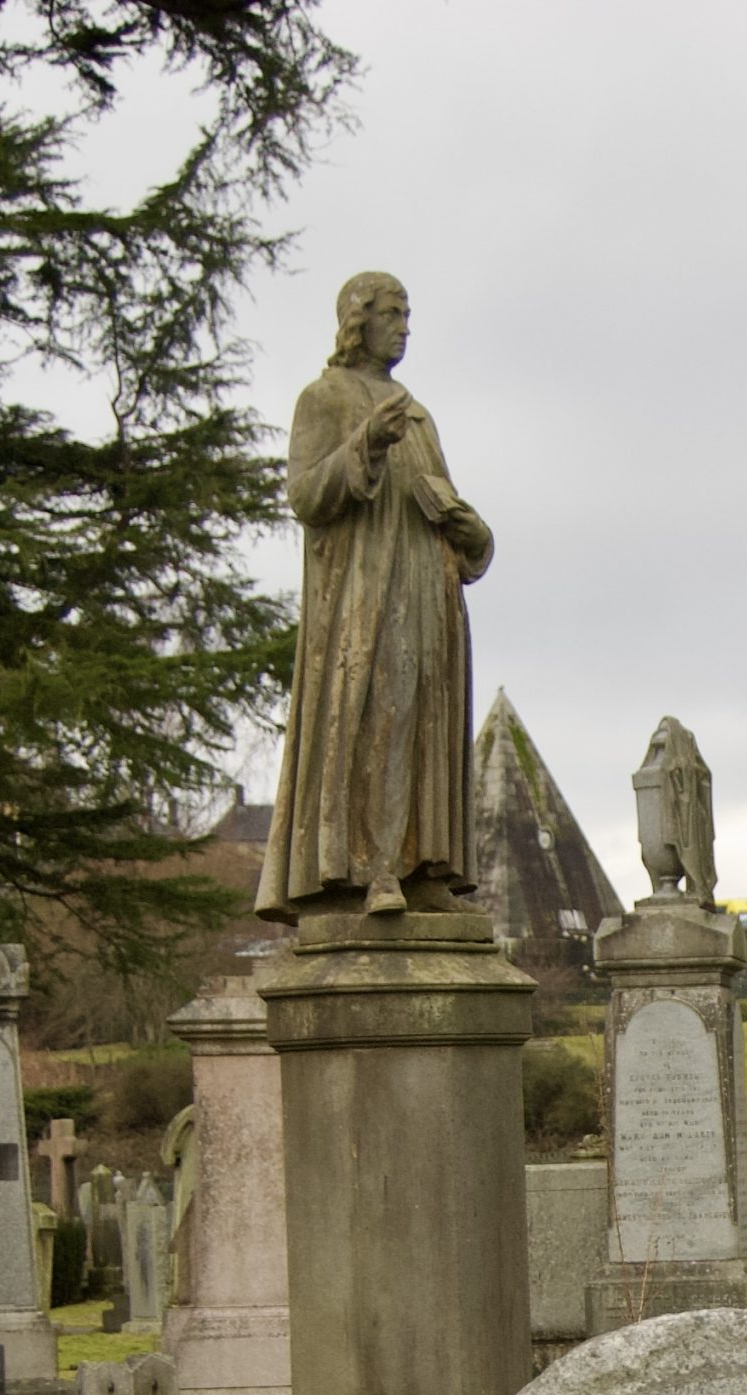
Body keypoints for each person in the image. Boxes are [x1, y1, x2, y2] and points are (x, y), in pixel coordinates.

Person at [256, 272, 493, 921]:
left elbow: (441, 501)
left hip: (430, 591)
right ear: (358, 320)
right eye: (393, 313)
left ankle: (427, 867)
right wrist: (364, 444)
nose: (405, 327)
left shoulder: (417, 414)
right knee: (379, 719)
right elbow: (304, 495)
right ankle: (373, 866)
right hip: (366, 594)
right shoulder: (324, 398)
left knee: (427, 725)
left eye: (409, 315)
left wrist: (476, 535)